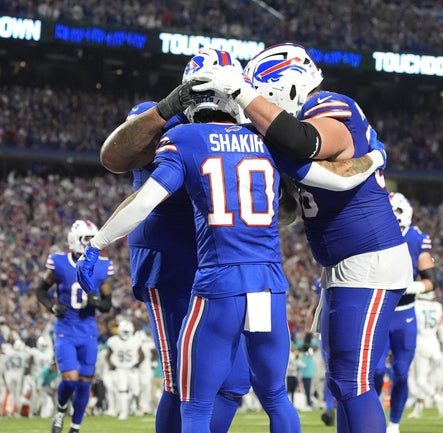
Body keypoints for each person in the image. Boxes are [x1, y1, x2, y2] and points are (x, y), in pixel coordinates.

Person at [76, 49, 387, 433]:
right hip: (216, 270)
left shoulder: (189, 136)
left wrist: (97, 243)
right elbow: (115, 157)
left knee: (210, 390)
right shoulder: (239, 134)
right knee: (258, 393)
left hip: (215, 273)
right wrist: (372, 158)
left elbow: (144, 200)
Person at [195, 42, 413, 433]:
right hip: (347, 264)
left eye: (262, 94)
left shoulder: (329, 105)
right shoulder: (300, 126)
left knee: (353, 382)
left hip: (369, 257)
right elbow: (292, 207)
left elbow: (303, 142)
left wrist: (244, 94)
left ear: (287, 85)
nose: (256, 106)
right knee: (343, 382)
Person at [122, 100, 252, 433]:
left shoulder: (203, 125)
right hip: (165, 253)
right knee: (180, 379)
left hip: (208, 255)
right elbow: (127, 150)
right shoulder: (154, 113)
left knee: (234, 380)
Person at [35, 220, 113, 433]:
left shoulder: (103, 265)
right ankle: (60, 410)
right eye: (87, 239)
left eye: (92, 239)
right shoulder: (59, 262)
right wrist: (52, 307)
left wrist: (98, 302)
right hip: (65, 330)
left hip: (88, 332)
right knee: (70, 380)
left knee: (84, 384)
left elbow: (108, 303)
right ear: (74, 240)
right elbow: (41, 290)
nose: (90, 243)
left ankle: (75, 428)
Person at [373, 192, 436, 433]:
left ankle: (394, 424)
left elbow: (432, 281)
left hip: (405, 313)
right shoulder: (372, 235)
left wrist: (410, 286)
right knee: (376, 370)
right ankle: (372, 415)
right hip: (379, 311)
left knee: (401, 371)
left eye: (396, 213)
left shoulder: (416, 238)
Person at [408, 293, 443, 419]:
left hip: (420, 344)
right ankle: (419, 410)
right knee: (432, 381)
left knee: (420, 381)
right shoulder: (437, 306)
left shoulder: (415, 305)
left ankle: (438, 399)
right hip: (435, 345)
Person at [105, 320, 144, 421]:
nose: (125, 334)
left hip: (132, 369)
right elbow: (108, 355)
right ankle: (123, 412)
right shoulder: (113, 340)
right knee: (122, 390)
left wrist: (137, 364)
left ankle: (135, 406)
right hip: (120, 369)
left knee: (136, 391)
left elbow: (142, 354)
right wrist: (111, 365)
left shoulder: (136, 340)